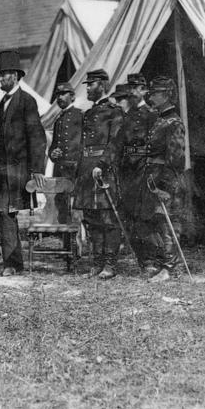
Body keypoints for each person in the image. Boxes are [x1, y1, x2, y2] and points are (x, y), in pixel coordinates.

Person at [0, 50, 47, 276]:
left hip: (18, 171)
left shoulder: (26, 101)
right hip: (1, 172)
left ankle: (12, 264)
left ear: (14, 75)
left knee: (7, 213)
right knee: (2, 214)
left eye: (3, 75)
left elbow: (37, 136)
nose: (0, 79)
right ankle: (11, 263)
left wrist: (37, 170)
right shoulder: (2, 102)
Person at [104, 74, 158, 273]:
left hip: (144, 171)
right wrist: (103, 163)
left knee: (144, 217)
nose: (132, 92)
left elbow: (157, 145)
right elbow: (118, 143)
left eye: (136, 88)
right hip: (127, 172)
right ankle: (142, 260)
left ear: (144, 90)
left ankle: (150, 261)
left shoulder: (152, 115)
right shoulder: (128, 116)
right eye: (131, 88)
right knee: (129, 217)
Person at [139, 76, 188, 282]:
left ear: (167, 95)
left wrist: (165, 186)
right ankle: (163, 263)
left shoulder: (173, 122)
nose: (152, 96)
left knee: (169, 224)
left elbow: (176, 158)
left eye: (157, 93)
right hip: (154, 177)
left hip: (168, 180)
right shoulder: (159, 119)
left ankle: (171, 267)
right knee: (158, 223)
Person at [80, 69, 124, 280]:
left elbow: (115, 143)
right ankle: (96, 263)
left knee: (108, 219)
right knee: (91, 218)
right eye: (87, 85)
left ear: (103, 85)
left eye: (91, 84)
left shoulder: (114, 112)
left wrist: (102, 164)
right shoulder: (88, 113)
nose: (87, 88)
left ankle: (110, 264)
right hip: (87, 171)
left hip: (103, 171)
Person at [48, 83, 83, 224]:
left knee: (75, 208)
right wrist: (52, 153)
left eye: (63, 94)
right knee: (61, 205)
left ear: (72, 96)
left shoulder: (80, 116)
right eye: (57, 95)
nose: (59, 97)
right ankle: (66, 242)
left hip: (74, 169)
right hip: (60, 170)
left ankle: (78, 244)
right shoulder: (58, 120)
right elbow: (53, 145)